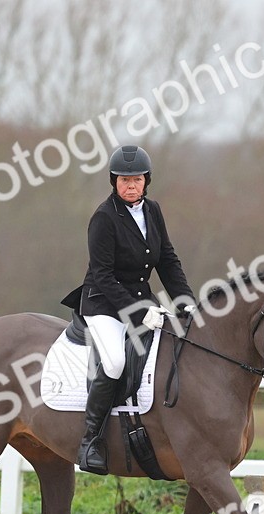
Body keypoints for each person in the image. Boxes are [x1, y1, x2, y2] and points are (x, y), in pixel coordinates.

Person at [60, 145, 196, 475]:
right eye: (124, 180)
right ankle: (90, 440)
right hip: (103, 305)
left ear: (146, 181)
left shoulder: (153, 211)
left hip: (140, 301)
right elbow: (103, 276)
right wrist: (138, 313)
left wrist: (185, 301)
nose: (130, 185)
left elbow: (167, 261)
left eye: (136, 179)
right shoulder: (104, 218)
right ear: (114, 182)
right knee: (117, 359)